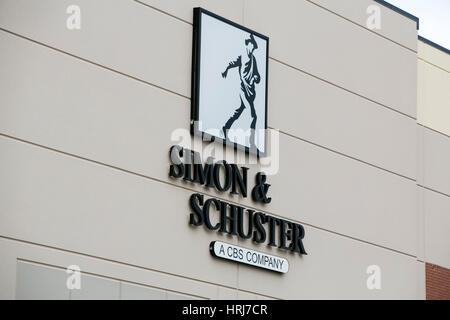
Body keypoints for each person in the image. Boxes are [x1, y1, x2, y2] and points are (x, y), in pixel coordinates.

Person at [221, 33, 261, 151]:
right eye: (252, 46)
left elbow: (258, 76)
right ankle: (252, 143)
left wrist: (255, 78)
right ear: (248, 44)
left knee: (238, 112)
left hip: (250, 91)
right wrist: (225, 71)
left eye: (254, 47)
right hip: (242, 89)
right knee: (253, 115)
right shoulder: (242, 56)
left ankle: (225, 127)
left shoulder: (254, 59)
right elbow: (232, 63)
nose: (252, 48)